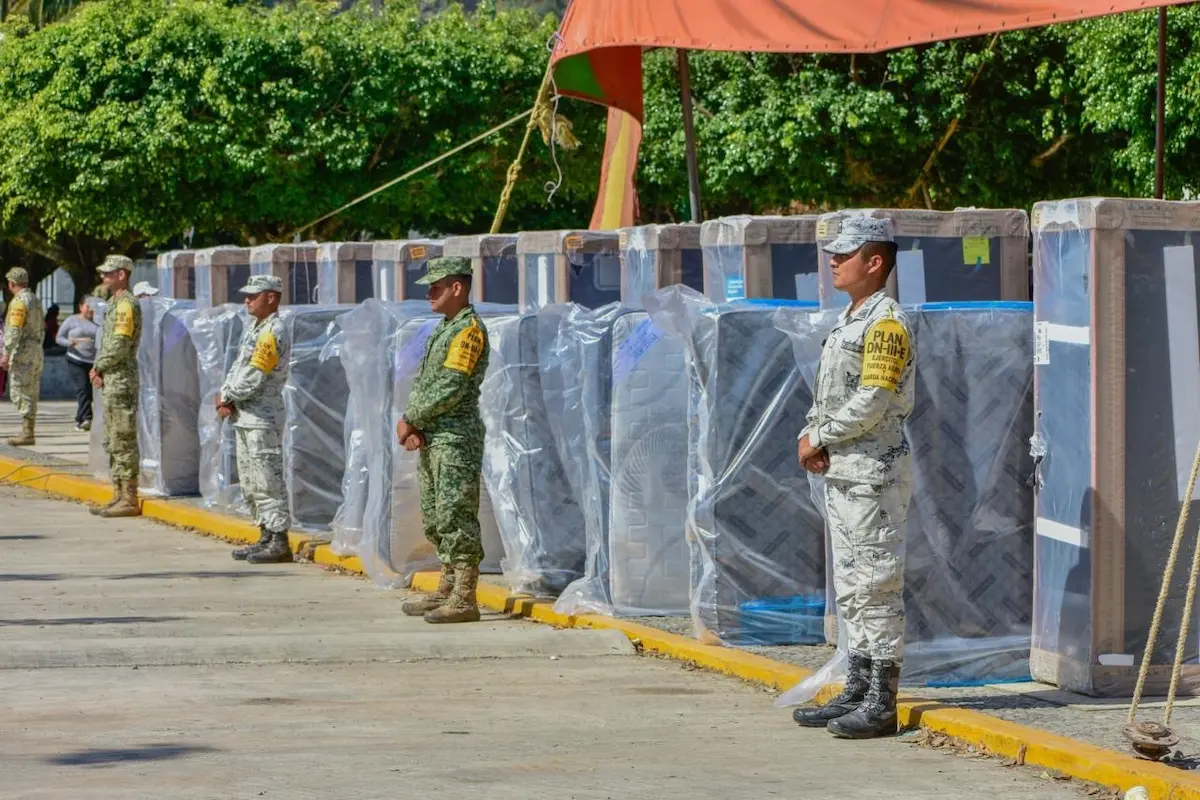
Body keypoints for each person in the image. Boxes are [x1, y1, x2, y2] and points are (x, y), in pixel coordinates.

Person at [792, 217, 916, 740]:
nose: (833, 262)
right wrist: (815, 434)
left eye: (846, 254)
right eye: (833, 254)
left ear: (876, 262)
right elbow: (830, 396)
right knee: (851, 586)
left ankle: (882, 701)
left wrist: (821, 437)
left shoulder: (886, 323)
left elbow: (874, 399)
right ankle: (857, 686)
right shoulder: (850, 320)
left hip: (873, 474)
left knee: (876, 584)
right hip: (847, 470)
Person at [396, 256, 490, 625]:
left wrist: (412, 419)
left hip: (455, 435)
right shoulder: (445, 328)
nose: (430, 293)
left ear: (458, 287)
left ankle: (465, 597)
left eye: (437, 286)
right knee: (436, 515)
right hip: (435, 433)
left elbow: (451, 385)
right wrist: (417, 425)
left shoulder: (468, 330)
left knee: (456, 513)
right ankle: (447, 588)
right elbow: (425, 383)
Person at [220, 274, 293, 564]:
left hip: (262, 417)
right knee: (250, 482)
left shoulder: (273, 331)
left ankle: (279, 539)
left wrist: (229, 396)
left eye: (254, 295)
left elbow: (254, 375)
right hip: (246, 415)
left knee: (267, 480)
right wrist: (227, 393)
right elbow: (238, 366)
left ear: (271, 297)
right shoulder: (255, 328)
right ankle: (264, 534)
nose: (247, 300)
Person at [89, 255, 143, 518]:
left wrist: (99, 366)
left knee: (124, 436)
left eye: (109, 273)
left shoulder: (126, 305)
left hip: (121, 378)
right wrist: (101, 369)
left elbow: (120, 343)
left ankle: (130, 497)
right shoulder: (114, 303)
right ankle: (118, 493)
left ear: (122, 274)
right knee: (113, 437)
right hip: (112, 376)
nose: (104, 277)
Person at [2, 267, 46, 446]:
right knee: (32, 389)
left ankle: (27, 432)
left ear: (12, 283)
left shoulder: (19, 302)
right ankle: (29, 430)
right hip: (36, 350)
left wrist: (6, 353)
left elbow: (14, 329)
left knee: (19, 389)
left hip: (23, 351)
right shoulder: (35, 300)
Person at [56, 296, 99, 431]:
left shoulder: (98, 323)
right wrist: (70, 343)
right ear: (81, 307)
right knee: (82, 388)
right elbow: (59, 337)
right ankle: (87, 417)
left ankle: (80, 419)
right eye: (88, 306)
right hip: (76, 359)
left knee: (91, 391)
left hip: (93, 361)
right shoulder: (72, 320)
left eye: (93, 307)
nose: (91, 310)